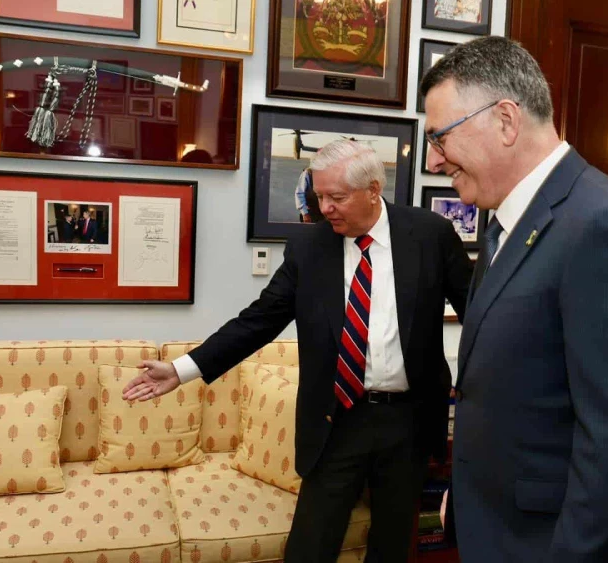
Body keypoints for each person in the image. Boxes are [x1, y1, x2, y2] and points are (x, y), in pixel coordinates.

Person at [123, 139, 474, 562]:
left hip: (409, 422)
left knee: (392, 546)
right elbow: (259, 320)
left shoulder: (430, 236)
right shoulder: (310, 249)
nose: (324, 208)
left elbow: (480, 311)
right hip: (337, 420)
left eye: (336, 197)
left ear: (373, 189)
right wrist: (182, 369)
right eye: (319, 195)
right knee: (310, 545)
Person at [420, 36, 608, 563]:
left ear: (505, 120)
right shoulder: (506, 223)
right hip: (507, 523)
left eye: (440, 138)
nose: (435, 161)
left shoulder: (606, 226)